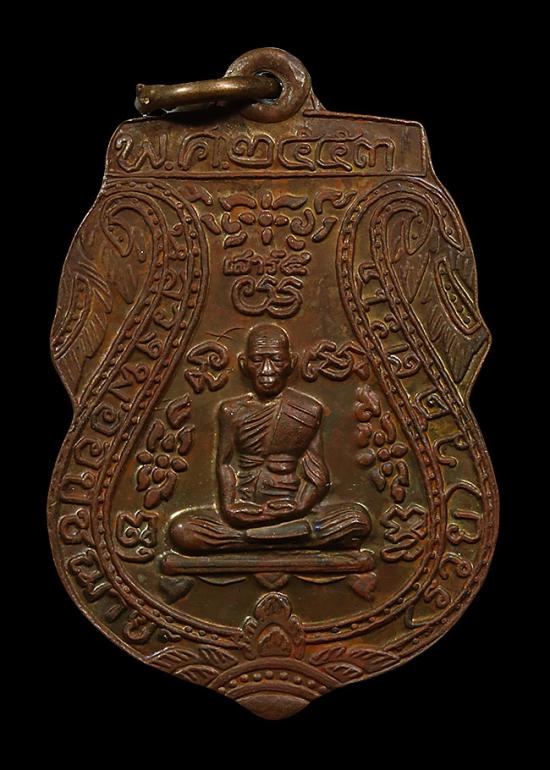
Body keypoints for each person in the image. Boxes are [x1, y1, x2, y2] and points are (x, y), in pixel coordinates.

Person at [169, 324, 370, 553]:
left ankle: (250, 541)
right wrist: (230, 507)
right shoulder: (231, 411)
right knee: (182, 530)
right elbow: (224, 464)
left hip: (292, 510)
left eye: (276, 360)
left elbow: (317, 473)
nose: (266, 370)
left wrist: (300, 505)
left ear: (290, 363)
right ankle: (282, 538)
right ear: (244, 364)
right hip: (244, 513)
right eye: (257, 360)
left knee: (357, 520)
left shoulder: (308, 409)